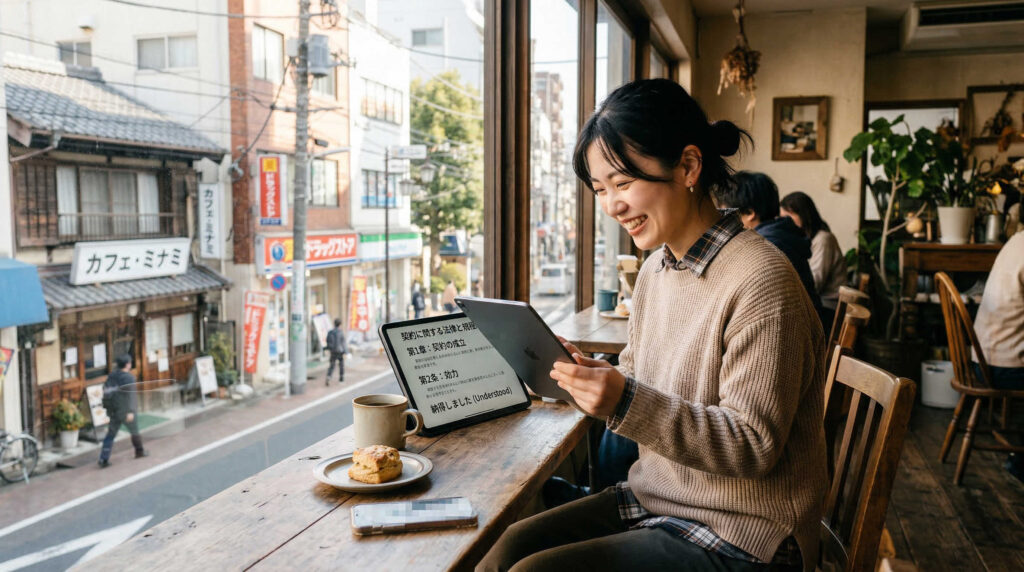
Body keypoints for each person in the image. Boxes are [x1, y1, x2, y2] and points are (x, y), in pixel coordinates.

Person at [479, 79, 826, 572]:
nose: (611, 206)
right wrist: (585, 374)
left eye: (623, 183)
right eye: (600, 190)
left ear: (688, 166)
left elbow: (753, 445)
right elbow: (640, 379)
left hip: (748, 533)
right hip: (661, 500)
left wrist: (623, 399)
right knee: (505, 548)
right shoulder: (656, 270)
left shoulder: (761, 280)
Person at [716, 171, 826, 326]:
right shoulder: (782, 234)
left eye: (724, 212)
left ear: (750, 213)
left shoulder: (766, 246)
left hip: (797, 328)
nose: (721, 220)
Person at [780, 191, 847, 310]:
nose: (784, 222)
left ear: (804, 214)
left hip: (828, 306)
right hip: (817, 302)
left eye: (788, 217)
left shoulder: (823, 239)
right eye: (782, 218)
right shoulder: (803, 238)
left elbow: (815, 283)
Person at [98, 354, 148, 467]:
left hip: (114, 410)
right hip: (126, 410)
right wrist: (131, 411)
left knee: (111, 434)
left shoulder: (112, 376)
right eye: (130, 362)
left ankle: (103, 459)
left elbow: (106, 391)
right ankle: (139, 451)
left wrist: (108, 408)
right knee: (134, 431)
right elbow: (131, 396)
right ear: (127, 364)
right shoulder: (129, 378)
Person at [325, 318, 347, 385]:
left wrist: (329, 349)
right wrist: (345, 352)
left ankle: (329, 376)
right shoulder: (340, 332)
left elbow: (327, 341)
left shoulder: (330, 332)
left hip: (333, 351)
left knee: (332, 365)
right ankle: (341, 379)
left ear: (334, 324)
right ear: (340, 324)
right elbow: (343, 343)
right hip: (340, 351)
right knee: (341, 366)